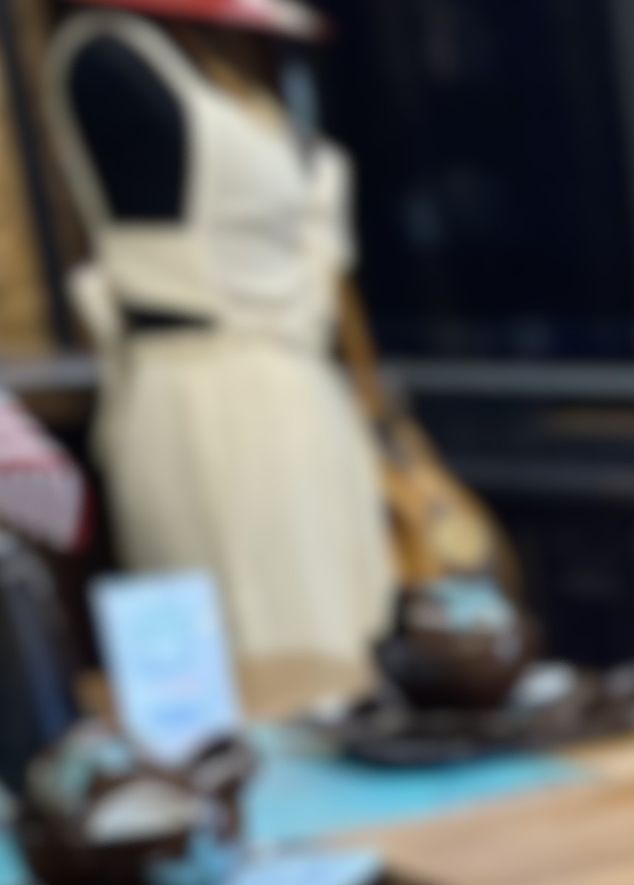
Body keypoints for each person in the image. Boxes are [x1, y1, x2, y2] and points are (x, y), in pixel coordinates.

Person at [45, 0, 393, 666]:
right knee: (257, 644)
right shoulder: (107, 61)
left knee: (345, 641)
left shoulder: (223, 65)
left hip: (302, 396)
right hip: (207, 400)